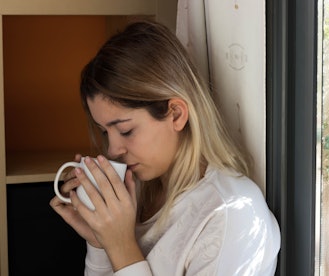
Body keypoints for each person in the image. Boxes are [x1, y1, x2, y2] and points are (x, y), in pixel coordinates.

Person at [50, 20, 280, 276]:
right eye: (106, 132)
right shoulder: (134, 191)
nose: (113, 150)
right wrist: (101, 241)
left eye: (126, 130)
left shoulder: (231, 215)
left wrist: (121, 245)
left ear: (176, 114)